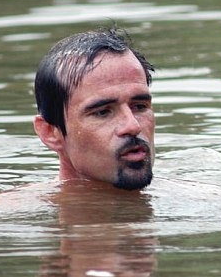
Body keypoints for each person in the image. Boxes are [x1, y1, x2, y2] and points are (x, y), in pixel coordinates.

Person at [33, 28, 156, 190]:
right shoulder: (6, 212)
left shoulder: (194, 200)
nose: (133, 126)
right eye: (103, 112)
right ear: (50, 132)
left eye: (139, 107)